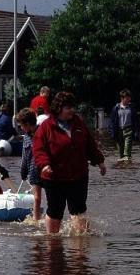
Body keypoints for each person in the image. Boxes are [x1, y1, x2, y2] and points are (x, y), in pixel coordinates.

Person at [33, 91, 106, 234]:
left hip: (78, 175)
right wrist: (45, 165)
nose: (72, 110)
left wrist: (99, 161)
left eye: (73, 107)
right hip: (54, 177)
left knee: (78, 209)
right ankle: (52, 242)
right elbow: (38, 149)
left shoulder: (78, 123)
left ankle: (80, 245)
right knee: (55, 210)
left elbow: (90, 144)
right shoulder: (46, 127)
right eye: (68, 107)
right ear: (59, 108)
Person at [16, 108, 42, 221]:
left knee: (48, 196)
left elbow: (25, 154)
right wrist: (23, 171)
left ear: (27, 124)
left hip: (44, 169)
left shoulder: (42, 132)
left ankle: (47, 218)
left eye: (21, 125)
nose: (21, 128)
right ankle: (37, 219)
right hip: (34, 170)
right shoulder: (26, 136)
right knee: (37, 197)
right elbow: (25, 156)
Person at [109, 89, 139, 161]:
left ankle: (127, 170)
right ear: (122, 98)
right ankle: (122, 170)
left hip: (129, 131)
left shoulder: (131, 108)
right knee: (121, 154)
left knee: (127, 153)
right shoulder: (116, 108)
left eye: (129, 97)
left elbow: (136, 121)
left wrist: (136, 132)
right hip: (118, 131)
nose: (129, 99)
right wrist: (112, 133)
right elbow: (112, 122)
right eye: (127, 98)